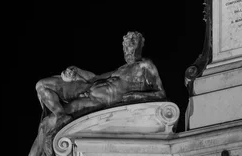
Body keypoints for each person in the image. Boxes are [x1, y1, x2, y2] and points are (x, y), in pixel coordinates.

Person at [29, 31, 166, 156]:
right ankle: (60, 116)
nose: (127, 48)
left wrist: (135, 96)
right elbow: (95, 78)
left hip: (99, 101)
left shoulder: (146, 65)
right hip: (89, 90)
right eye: (125, 45)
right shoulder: (120, 69)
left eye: (132, 43)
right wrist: (76, 71)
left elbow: (160, 94)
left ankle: (59, 120)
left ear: (140, 45)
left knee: (46, 124)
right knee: (42, 87)